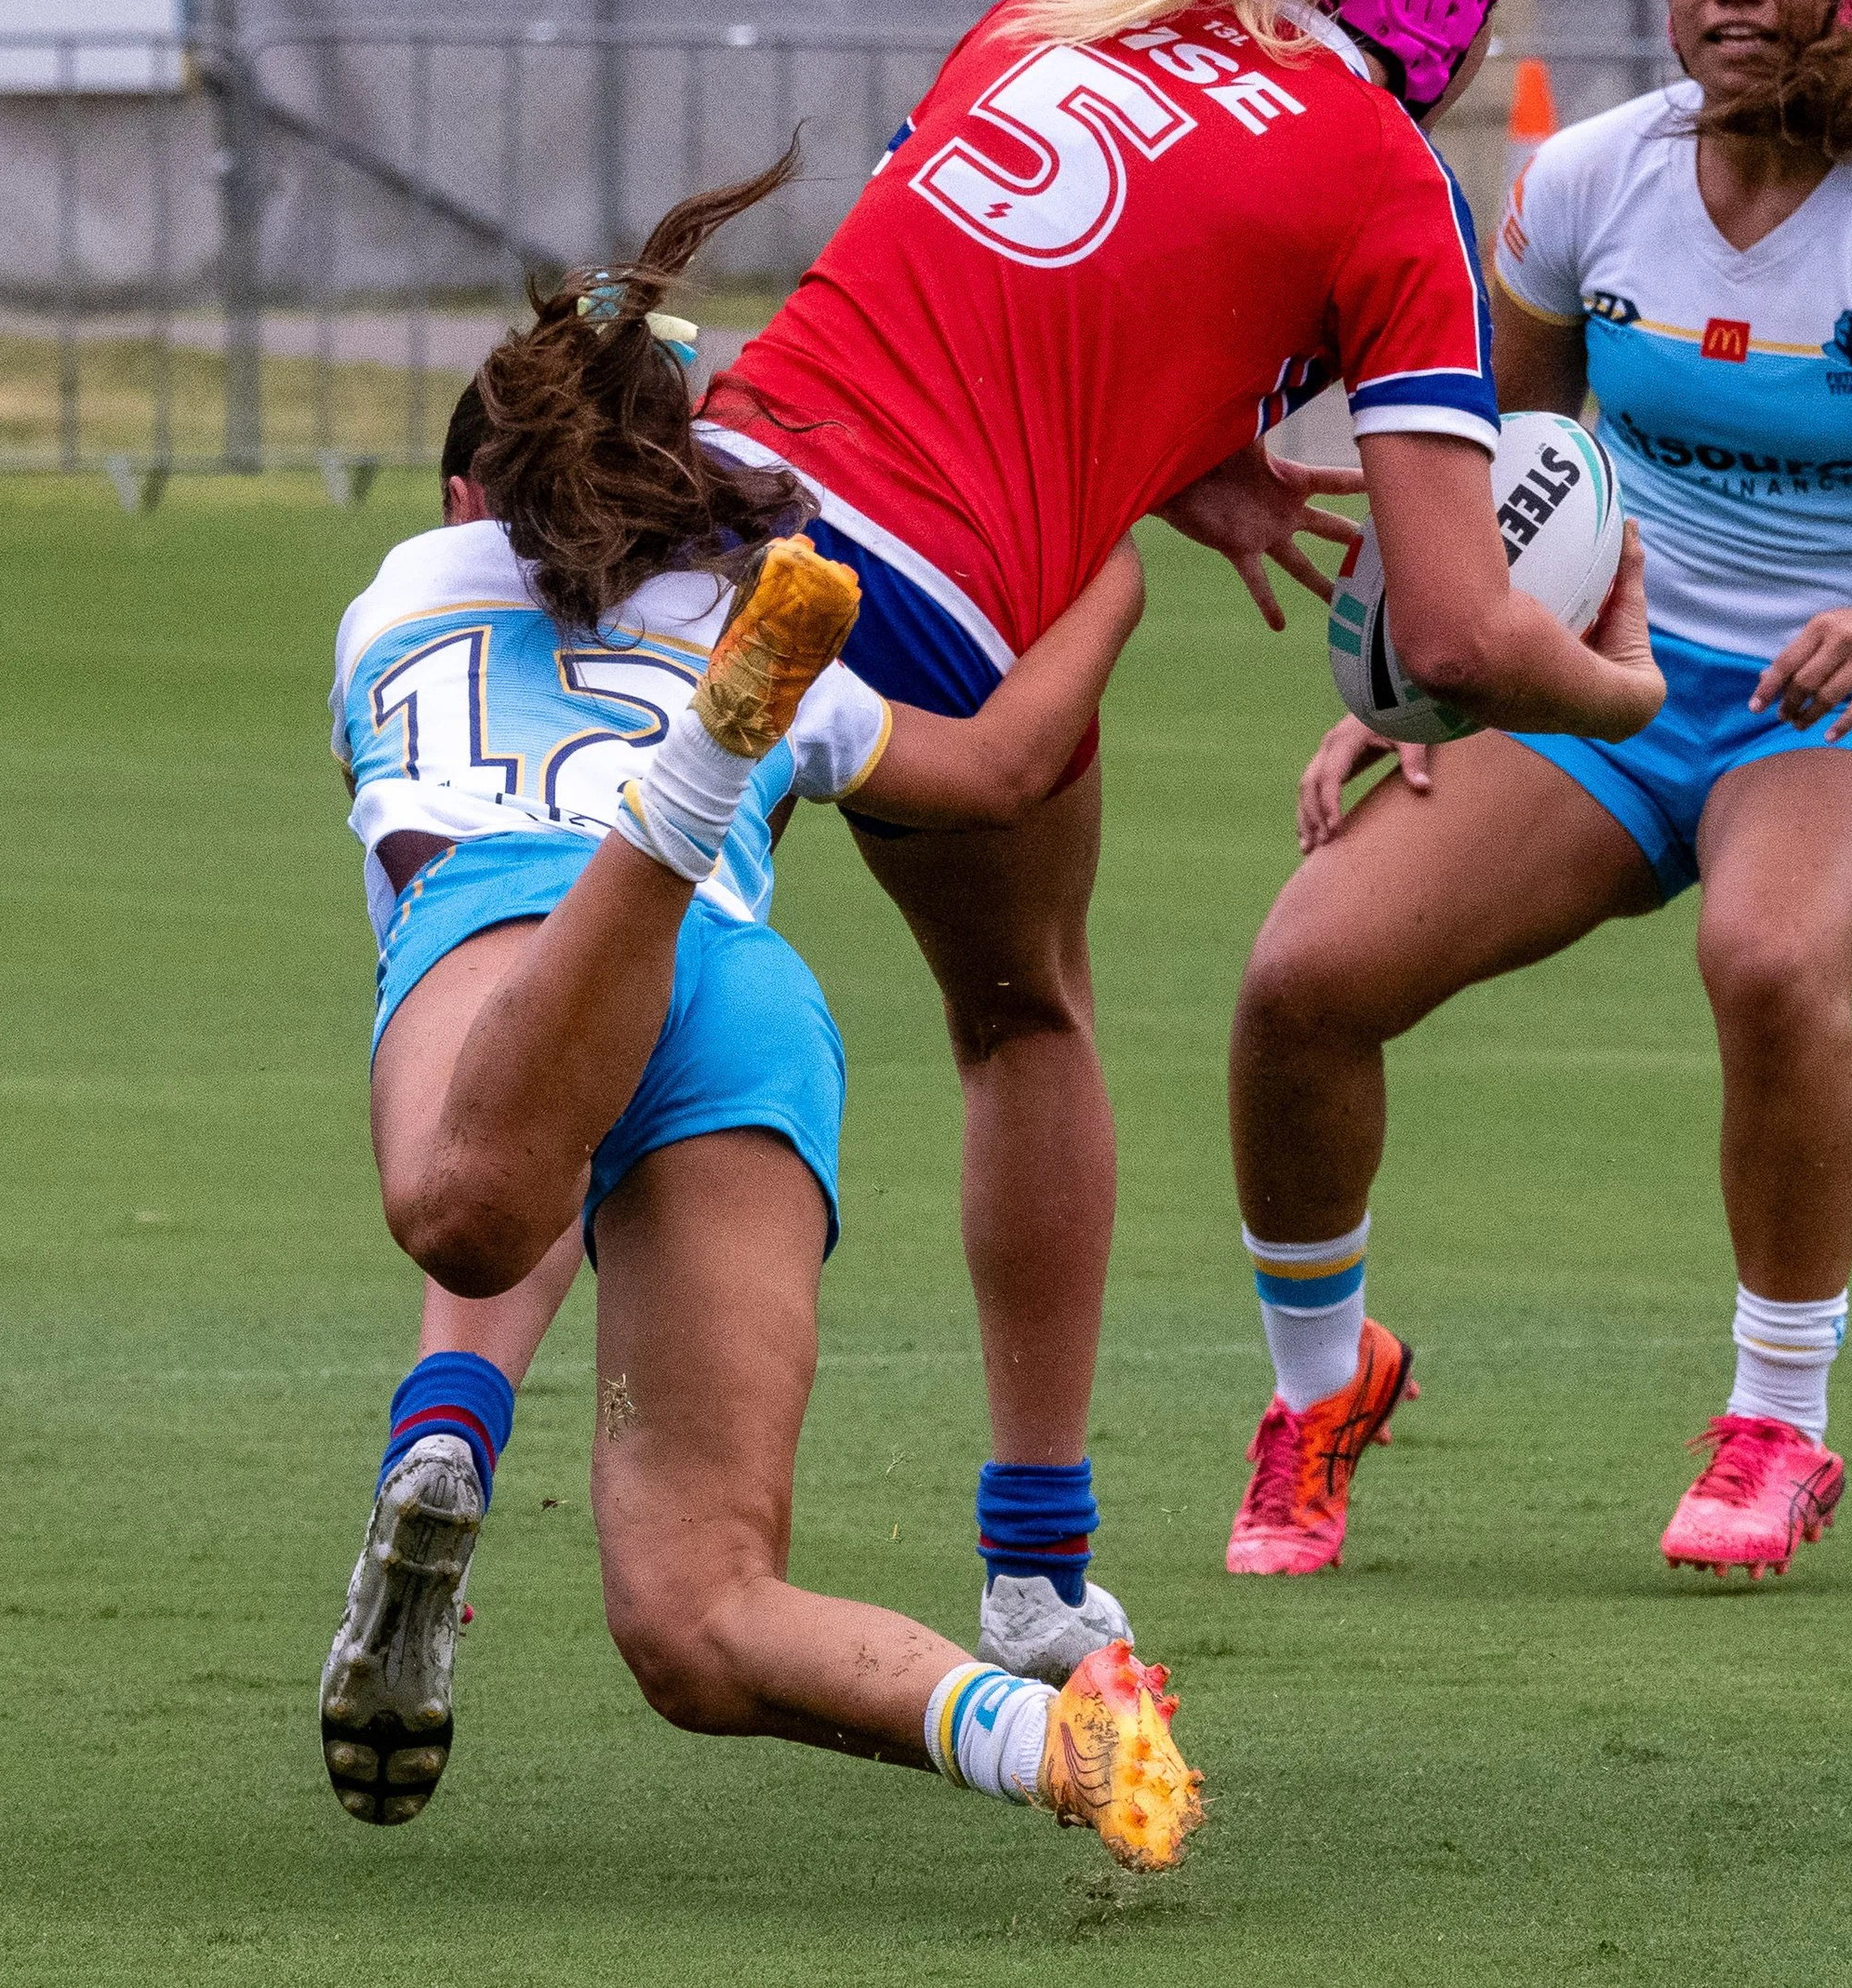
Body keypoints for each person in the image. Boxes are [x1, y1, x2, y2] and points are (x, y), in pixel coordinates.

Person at [688, 0, 1665, 1674]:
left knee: (586, 964)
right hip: (939, 606)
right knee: (1017, 1015)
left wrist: (1176, 439)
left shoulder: (1055, 5)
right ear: (1452, 10)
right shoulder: (1389, 184)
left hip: (708, 499)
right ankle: (1036, 1579)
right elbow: (1458, 636)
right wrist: (1622, 688)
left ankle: (443, 1428)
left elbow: (959, 303)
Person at [1222, 0, 1852, 1581]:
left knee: (1767, 957)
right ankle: (1322, 1391)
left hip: (1843, 705)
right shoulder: (1581, 179)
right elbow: (1515, 465)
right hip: (1598, 683)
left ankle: (1778, 1422)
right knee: (1302, 977)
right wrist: (1414, 682)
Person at [317, 159, 1201, 1872]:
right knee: (700, 1620)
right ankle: (1060, 1740)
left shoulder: (399, 592)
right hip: (738, 999)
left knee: (468, 1207)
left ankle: (445, 1427)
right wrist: (1115, 563)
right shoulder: (752, 607)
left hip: (512, 920)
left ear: (459, 488)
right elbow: (1011, 764)